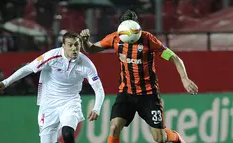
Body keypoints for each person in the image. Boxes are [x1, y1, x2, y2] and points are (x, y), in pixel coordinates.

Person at [80, 10, 198, 143]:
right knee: (114, 128)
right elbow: (91, 49)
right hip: (126, 93)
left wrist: (184, 78)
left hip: (148, 95)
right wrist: (85, 42)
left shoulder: (149, 40)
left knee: (160, 138)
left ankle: (175, 136)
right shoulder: (114, 38)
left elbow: (174, 58)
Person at [0, 32, 105, 143]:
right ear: (63, 46)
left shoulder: (86, 64)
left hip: (70, 102)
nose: (74, 48)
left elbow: (99, 89)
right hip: (49, 104)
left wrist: (97, 108)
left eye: (76, 45)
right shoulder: (51, 56)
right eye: (70, 45)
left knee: (67, 134)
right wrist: (4, 83)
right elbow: (28, 68)